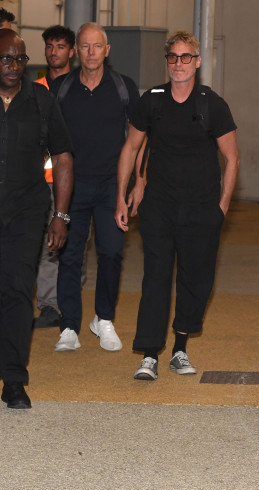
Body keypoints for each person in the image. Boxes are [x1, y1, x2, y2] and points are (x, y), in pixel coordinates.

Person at [115, 31, 239, 381]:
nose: (179, 64)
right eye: (173, 57)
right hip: (159, 206)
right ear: (166, 61)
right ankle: (150, 354)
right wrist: (122, 195)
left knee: (195, 280)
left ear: (197, 62)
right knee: (155, 277)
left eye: (186, 57)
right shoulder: (152, 101)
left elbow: (232, 158)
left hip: (201, 209)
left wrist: (222, 207)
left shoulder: (212, 104)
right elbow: (131, 148)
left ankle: (180, 348)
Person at [50, 22, 139, 353]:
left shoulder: (123, 87)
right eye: (84, 46)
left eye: (96, 46)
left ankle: (103, 319)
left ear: (107, 50)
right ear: (76, 51)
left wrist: (136, 182)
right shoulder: (61, 88)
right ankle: (70, 325)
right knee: (70, 255)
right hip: (71, 188)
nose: (90, 53)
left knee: (112, 252)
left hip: (110, 187)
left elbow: (138, 139)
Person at [0, 29, 73, 408]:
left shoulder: (41, 99)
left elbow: (62, 157)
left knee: (16, 291)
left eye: (20, 59)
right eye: (6, 59)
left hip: (26, 213)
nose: (14, 67)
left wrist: (60, 214)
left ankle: (13, 378)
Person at [32, 25, 76, 329]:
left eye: (60, 46)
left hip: (73, 176)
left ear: (70, 51)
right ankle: (49, 304)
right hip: (40, 178)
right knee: (47, 243)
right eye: (49, 46)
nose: (53, 51)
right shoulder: (35, 88)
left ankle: (69, 298)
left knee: (75, 245)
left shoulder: (81, 87)